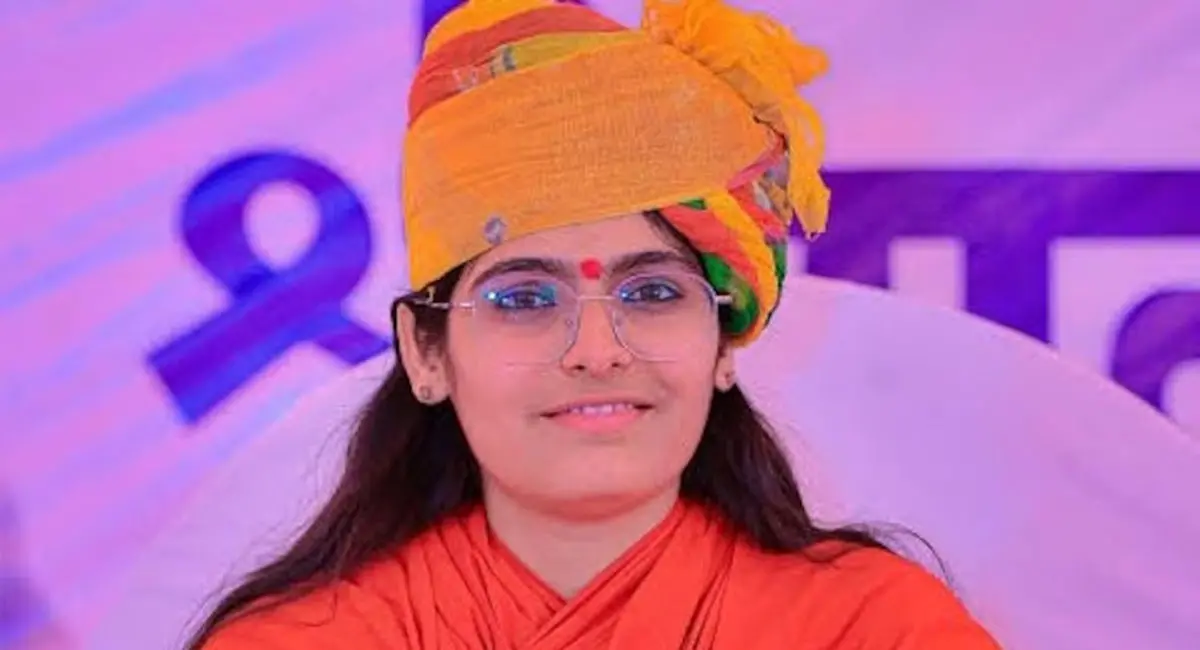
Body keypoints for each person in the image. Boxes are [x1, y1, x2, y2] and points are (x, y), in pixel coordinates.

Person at [189, 0, 1001, 647]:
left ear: (724, 341)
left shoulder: (872, 628)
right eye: (524, 300)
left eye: (652, 293)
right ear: (425, 353)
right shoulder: (306, 640)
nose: (597, 350)